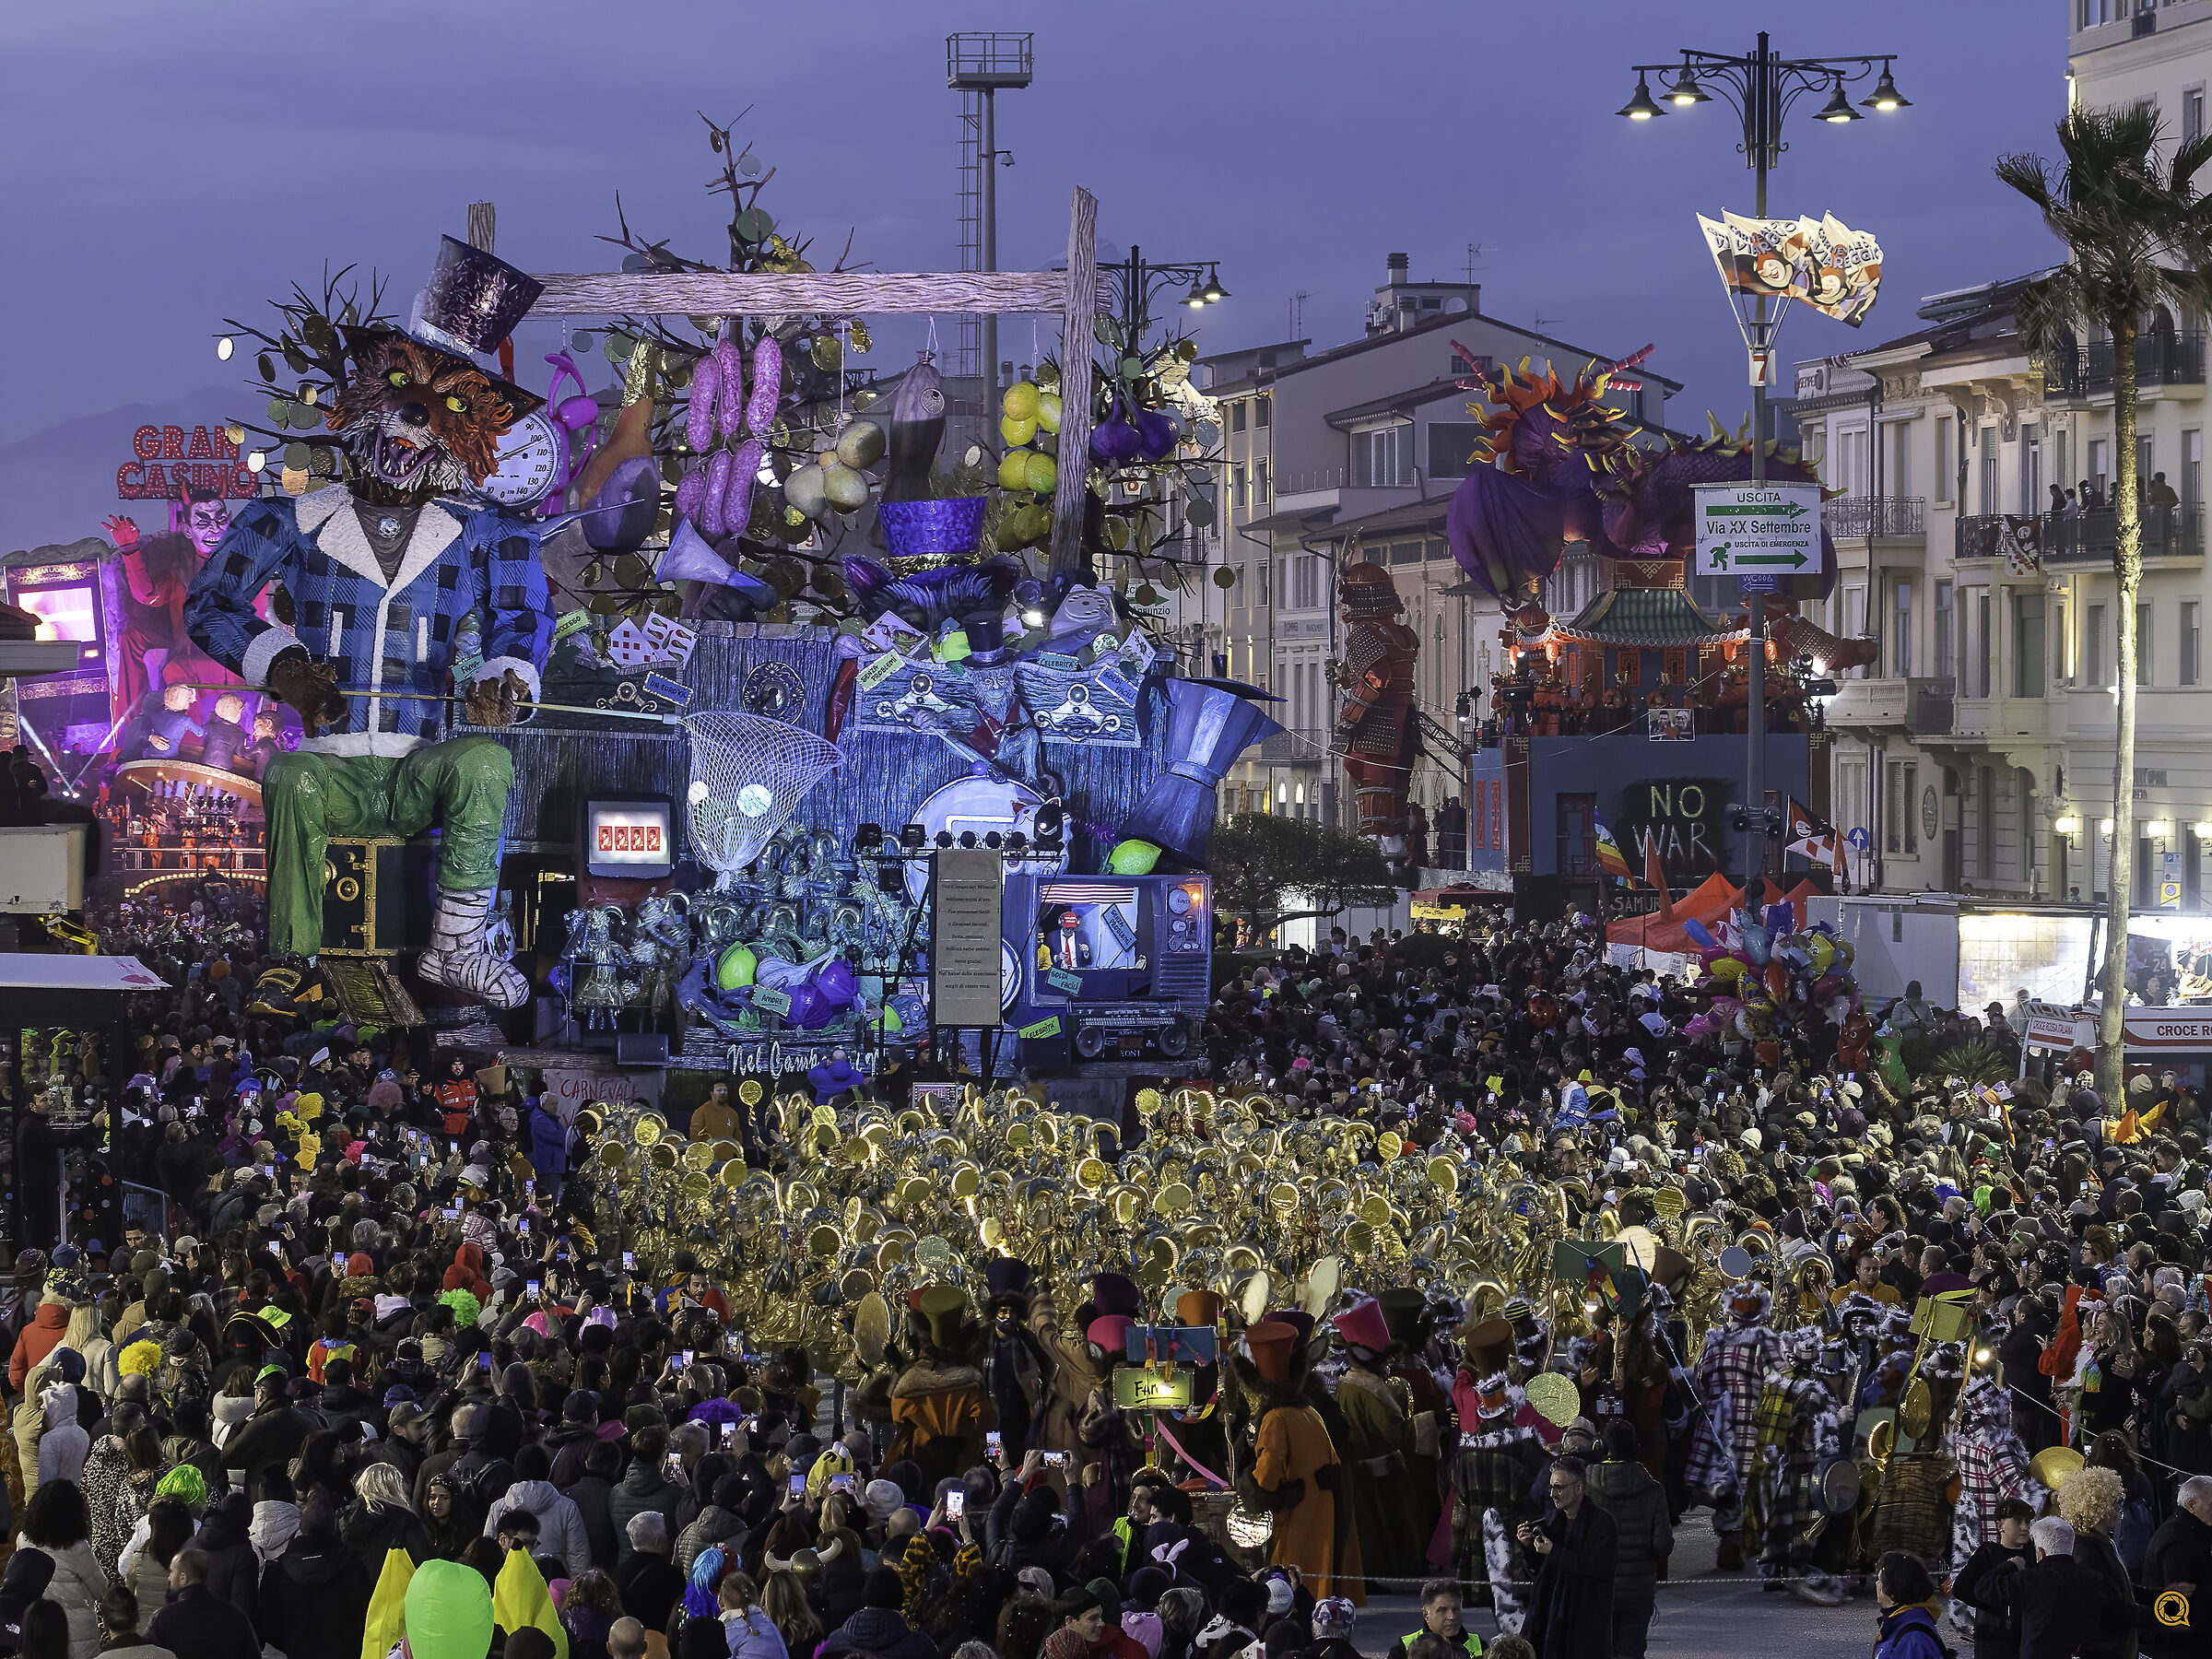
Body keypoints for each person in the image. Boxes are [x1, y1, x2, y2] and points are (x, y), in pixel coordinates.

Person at [1583, 1421, 1670, 1659]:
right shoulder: (1653, 1489)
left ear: (1601, 1447)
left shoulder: (1586, 1485)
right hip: (1638, 1592)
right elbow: (1662, 1545)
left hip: (1597, 1588)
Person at [1520, 1456, 1616, 1659]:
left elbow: (1598, 1568)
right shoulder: (1551, 1521)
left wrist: (1553, 1552)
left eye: (1559, 1487)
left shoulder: (1602, 1523)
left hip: (1584, 1621)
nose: (1553, 1494)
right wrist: (1529, 1547)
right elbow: (1538, 1569)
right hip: (1550, 1617)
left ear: (1579, 1487)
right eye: (1551, 1487)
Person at [19, 1478, 112, 1659]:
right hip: (77, 1634)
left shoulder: (24, 1540)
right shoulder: (76, 1547)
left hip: (37, 1626)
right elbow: (100, 1587)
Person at [1951, 1497, 2035, 1659]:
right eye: (2017, 1521)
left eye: (2028, 1521)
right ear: (2000, 1526)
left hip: (2026, 1638)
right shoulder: (1987, 1554)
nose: (2025, 1527)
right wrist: (1993, 1604)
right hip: (1992, 1639)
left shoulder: (2034, 1553)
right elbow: (1961, 1588)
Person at [146, 1549, 258, 1659]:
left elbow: (148, 1654)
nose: (169, 1577)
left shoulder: (163, 1618)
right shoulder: (235, 1616)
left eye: (172, 1571)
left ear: (183, 1578)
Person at [2145, 1476, 2212, 1657]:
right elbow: (2180, 1603)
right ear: (2191, 1504)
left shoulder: (2190, 1530)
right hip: (2183, 1647)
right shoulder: (2178, 1541)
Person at [1872, 1551, 1948, 1659]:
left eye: (1879, 1580)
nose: (1877, 1584)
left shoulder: (1912, 1638)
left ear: (1893, 1590)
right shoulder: (1900, 1621)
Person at [1387, 1583, 1481, 1659]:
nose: (1451, 1616)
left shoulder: (1480, 1645)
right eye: (1442, 1610)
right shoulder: (1403, 1650)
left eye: (1456, 1609)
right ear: (1426, 1614)